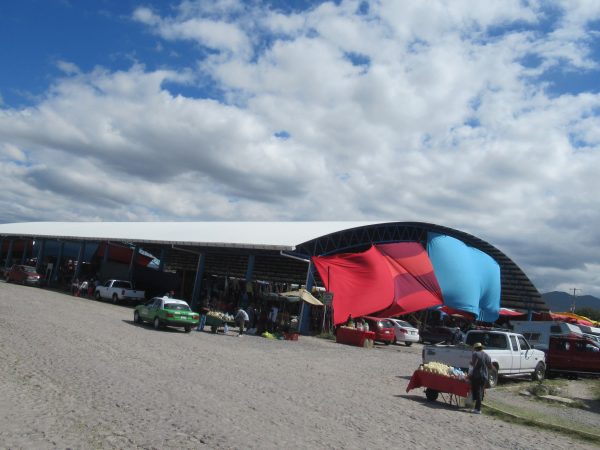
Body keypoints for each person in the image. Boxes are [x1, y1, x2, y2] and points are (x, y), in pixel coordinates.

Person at [469, 342, 494, 414]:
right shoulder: (487, 355)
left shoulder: (475, 354)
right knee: (480, 391)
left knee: (478, 392)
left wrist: (471, 363)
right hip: (484, 376)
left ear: (476, 348)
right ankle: (477, 408)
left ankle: (478, 409)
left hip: (477, 375)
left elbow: (474, 364)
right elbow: (490, 367)